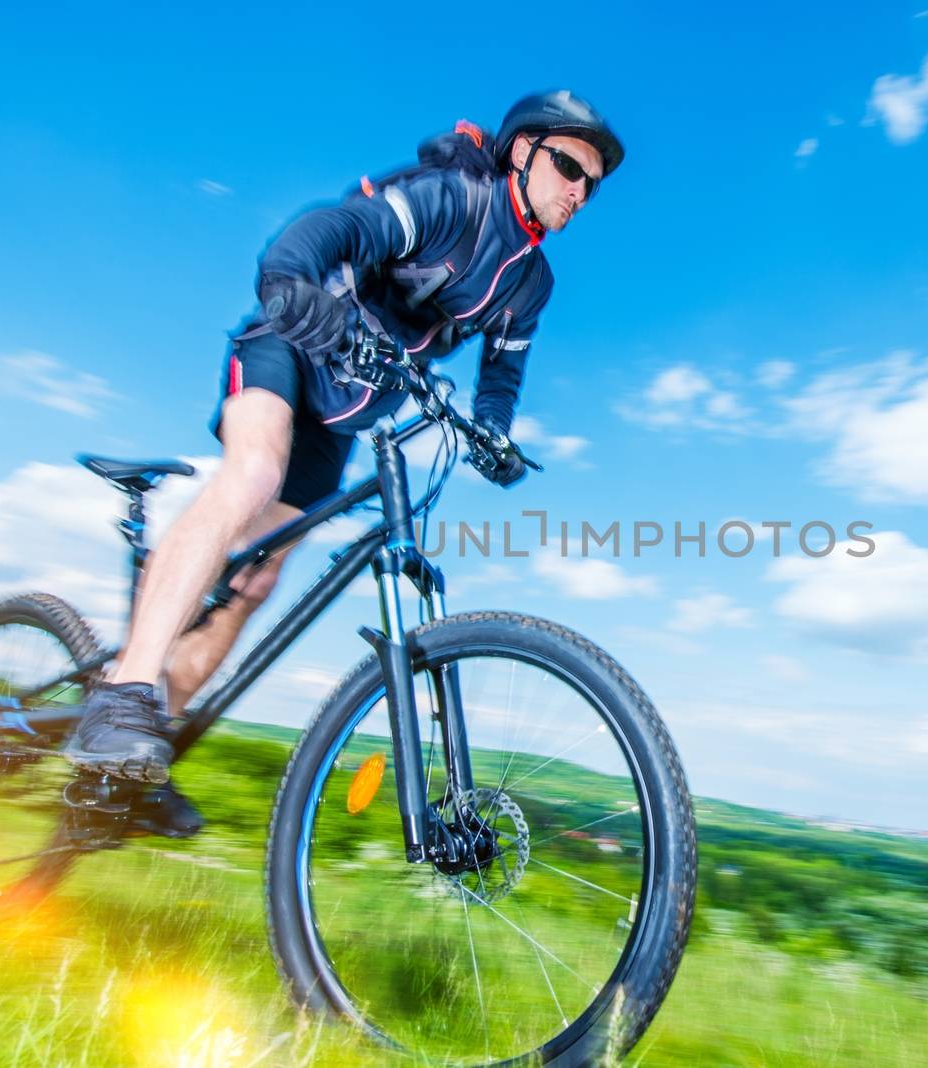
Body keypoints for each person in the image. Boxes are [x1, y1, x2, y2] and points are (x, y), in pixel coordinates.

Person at [63, 91, 624, 834]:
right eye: (568, 167)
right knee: (254, 473)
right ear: (521, 152)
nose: (580, 191)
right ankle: (123, 693)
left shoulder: (532, 283)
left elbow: (503, 370)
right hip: (293, 343)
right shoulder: (451, 199)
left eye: (592, 182)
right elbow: (341, 226)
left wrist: (493, 432)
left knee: (258, 579)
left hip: (347, 411)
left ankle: (145, 751)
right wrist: (291, 279)